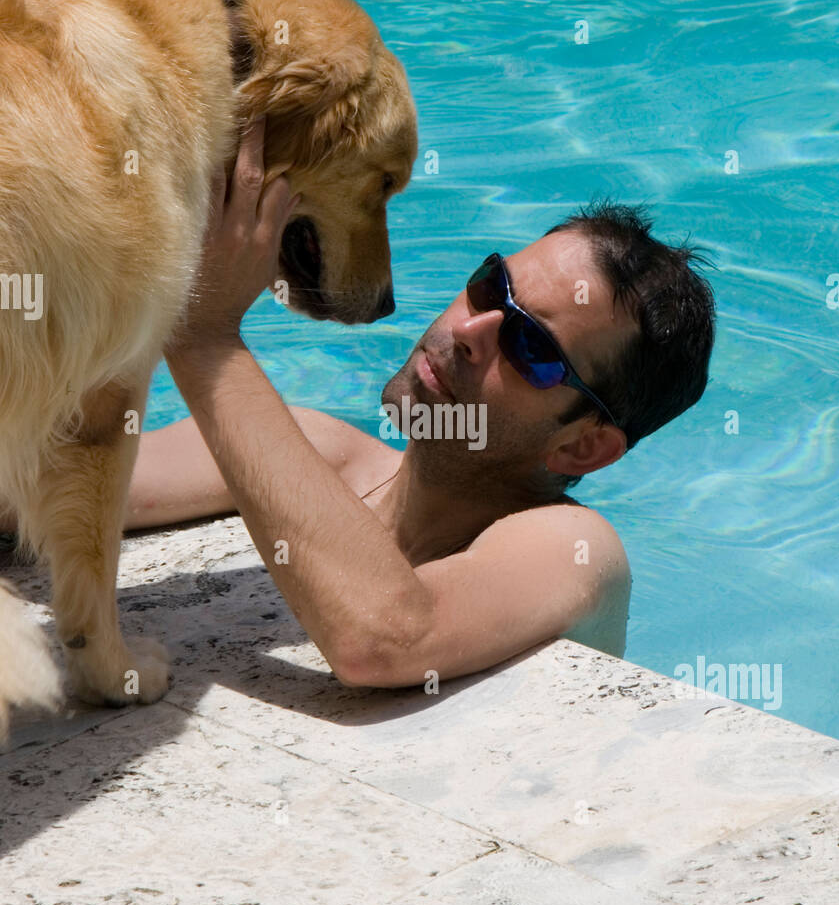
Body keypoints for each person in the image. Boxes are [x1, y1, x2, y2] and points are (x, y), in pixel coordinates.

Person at [83, 121, 718, 688]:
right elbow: (37, 481)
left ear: (583, 444)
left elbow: (384, 640)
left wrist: (206, 336)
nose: (470, 332)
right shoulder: (319, 451)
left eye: (529, 344)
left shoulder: (575, 547)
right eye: (489, 288)